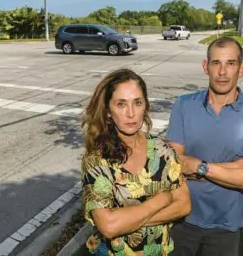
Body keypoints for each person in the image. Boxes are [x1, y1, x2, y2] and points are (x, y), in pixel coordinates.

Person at [166, 37, 243, 256]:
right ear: (206, 67)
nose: (222, 72)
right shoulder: (184, 106)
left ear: (241, 69)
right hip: (180, 219)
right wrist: (235, 169)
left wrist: (199, 166)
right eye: (216, 63)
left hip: (226, 227)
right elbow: (172, 168)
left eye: (230, 63)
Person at [81, 68, 191, 255]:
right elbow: (108, 226)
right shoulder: (97, 160)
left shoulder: (162, 151)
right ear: (108, 111)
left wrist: (127, 221)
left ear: (145, 106)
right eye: (121, 104)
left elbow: (184, 205)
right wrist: (164, 199)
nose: (131, 113)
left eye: (137, 103)